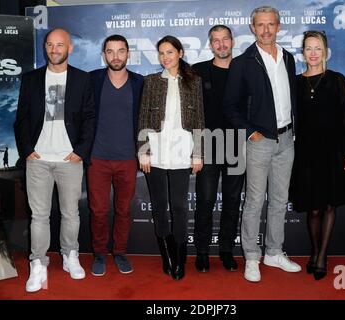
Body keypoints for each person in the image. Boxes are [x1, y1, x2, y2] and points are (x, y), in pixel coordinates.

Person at [223, 6, 301, 283]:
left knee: (280, 200)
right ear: (252, 28)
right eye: (260, 25)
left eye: (271, 24)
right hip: (260, 140)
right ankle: (252, 257)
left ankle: (274, 252)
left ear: (278, 26)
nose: (266, 30)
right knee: (255, 201)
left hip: (287, 139)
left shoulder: (289, 58)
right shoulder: (243, 62)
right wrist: (250, 132)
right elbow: (230, 105)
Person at [14, 28, 95, 292]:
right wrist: (27, 148)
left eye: (60, 45)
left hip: (69, 159)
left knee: (71, 213)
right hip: (37, 159)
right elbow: (22, 119)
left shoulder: (83, 80)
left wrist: (81, 151)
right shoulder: (31, 79)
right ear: (45, 47)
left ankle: (71, 256)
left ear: (70, 48)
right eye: (50, 45)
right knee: (39, 216)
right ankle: (38, 263)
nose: (54, 50)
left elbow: (90, 119)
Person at [290, 30, 345, 280]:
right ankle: (315, 250)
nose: (313, 53)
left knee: (330, 204)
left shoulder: (337, 79)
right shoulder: (295, 83)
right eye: (309, 48)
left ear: (325, 51)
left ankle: (321, 257)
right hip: (306, 152)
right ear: (303, 52)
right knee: (314, 208)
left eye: (318, 48)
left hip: (334, 151)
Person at [138, 35, 205, 280]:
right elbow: (143, 118)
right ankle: (166, 256)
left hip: (181, 150)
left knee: (178, 207)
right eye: (161, 53)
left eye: (169, 52)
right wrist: (143, 150)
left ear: (180, 53)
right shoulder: (151, 81)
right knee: (159, 207)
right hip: (155, 150)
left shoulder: (194, 82)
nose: (165, 57)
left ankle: (180, 260)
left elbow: (199, 120)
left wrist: (198, 153)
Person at [87, 35, 143, 276]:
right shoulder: (93, 80)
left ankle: (119, 251)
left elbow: (148, 121)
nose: (116, 56)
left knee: (123, 210)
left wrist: (144, 151)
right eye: (110, 51)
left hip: (128, 159)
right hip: (97, 158)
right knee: (98, 210)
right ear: (104, 55)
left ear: (128, 54)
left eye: (121, 51)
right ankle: (99, 253)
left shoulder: (140, 83)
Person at [192, 25, 245, 273]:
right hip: (209, 144)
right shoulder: (198, 72)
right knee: (205, 200)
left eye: (225, 39)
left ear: (232, 42)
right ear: (210, 44)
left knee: (233, 201)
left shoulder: (245, 69)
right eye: (216, 40)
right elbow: (189, 111)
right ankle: (202, 252)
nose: (221, 44)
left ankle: (226, 251)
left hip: (238, 145)